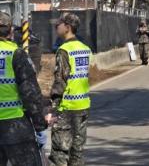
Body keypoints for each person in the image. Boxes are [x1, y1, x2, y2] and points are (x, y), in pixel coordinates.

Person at [0, 12, 48, 165]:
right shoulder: (15, 53)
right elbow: (30, 93)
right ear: (11, 32)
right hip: (15, 126)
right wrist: (40, 125)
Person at [49, 13, 92, 166]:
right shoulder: (85, 49)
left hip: (66, 107)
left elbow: (60, 81)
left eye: (58, 24)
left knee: (59, 152)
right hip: (83, 105)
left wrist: (53, 110)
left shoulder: (64, 50)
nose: (56, 27)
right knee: (77, 150)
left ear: (67, 28)